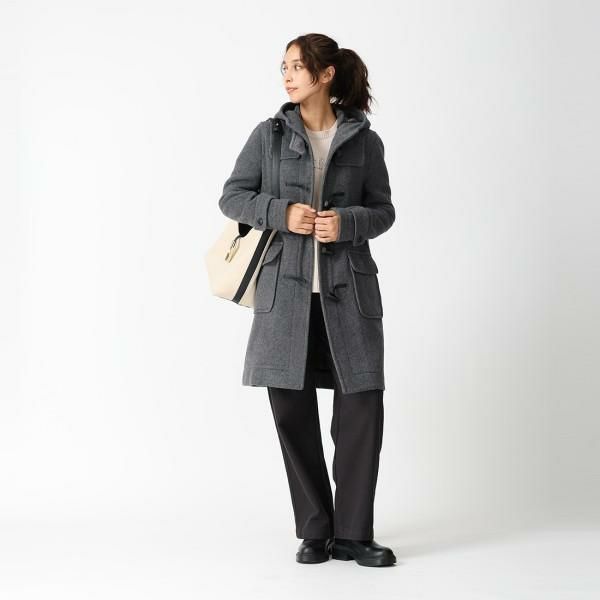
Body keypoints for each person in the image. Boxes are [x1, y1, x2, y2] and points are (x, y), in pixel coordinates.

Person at [218, 33, 396, 567]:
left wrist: (347, 222)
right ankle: (316, 530)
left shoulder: (364, 141)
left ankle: (354, 534)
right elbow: (232, 196)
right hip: (286, 296)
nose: (287, 76)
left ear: (326, 75)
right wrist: (282, 213)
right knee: (292, 412)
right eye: (284, 68)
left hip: (349, 295)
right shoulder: (268, 135)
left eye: (297, 67)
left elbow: (383, 210)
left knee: (361, 409)